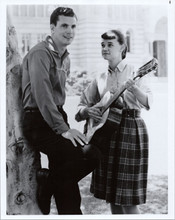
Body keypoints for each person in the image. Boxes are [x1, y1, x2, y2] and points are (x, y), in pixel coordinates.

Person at [21, 7, 99, 215]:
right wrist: (63, 128)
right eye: (64, 25)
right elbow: (42, 94)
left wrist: (62, 123)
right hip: (37, 121)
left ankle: (50, 183)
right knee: (87, 154)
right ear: (52, 28)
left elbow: (57, 96)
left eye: (73, 26)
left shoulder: (65, 56)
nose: (70, 31)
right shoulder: (40, 53)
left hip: (55, 116)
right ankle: (49, 183)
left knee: (67, 182)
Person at [75, 29, 153, 214]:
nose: (105, 48)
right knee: (112, 197)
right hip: (105, 135)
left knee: (128, 198)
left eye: (110, 45)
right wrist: (87, 111)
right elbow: (80, 110)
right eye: (102, 45)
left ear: (122, 47)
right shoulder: (100, 78)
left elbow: (148, 101)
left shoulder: (135, 72)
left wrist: (134, 90)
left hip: (130, 132)